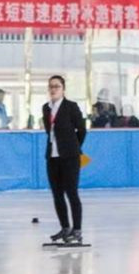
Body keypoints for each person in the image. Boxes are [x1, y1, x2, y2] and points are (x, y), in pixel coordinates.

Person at [42, 75, 86, 244]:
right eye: (51, 86)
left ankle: (77, 229)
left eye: (57, 86)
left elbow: (81, 130)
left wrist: (73, 148)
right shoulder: (46, 108)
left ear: (63, 89)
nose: (53, 89)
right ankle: (65, 227)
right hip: (52, 157)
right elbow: (49, 132)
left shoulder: (71, 107)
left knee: (71, 193)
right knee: (57, 194)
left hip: (70, 157)